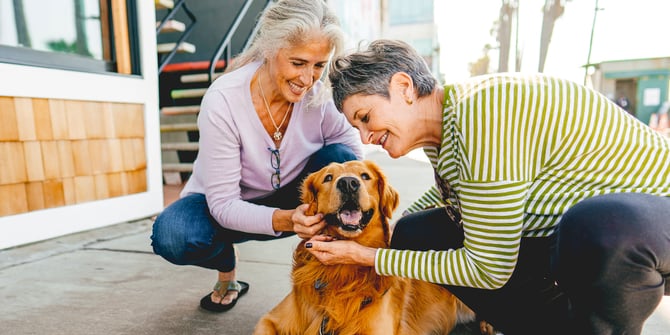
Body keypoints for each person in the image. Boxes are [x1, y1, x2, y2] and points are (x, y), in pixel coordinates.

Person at [303, 39, 670, 334]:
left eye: (366, 118)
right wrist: (384, 232)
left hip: (649, 220)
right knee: (414, 233)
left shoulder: (485, 114)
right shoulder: (443, 130)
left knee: (598, 225)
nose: (366, 136)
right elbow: (458, 200)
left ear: (403, 88)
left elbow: (490, 268)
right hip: (573, 239)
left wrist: (367, 256)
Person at [150, 0, 363, 313]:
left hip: (297, 196)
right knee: (173, 234)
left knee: (344, 161)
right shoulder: (224, 99)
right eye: (298, 62)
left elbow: (355, 160)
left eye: (319, 65)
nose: (308, 79)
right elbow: (222, 204)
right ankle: (227, 265)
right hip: (227, 205)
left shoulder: (322, 94)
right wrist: (288, 219)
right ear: (270, 49)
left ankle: (330, 277)